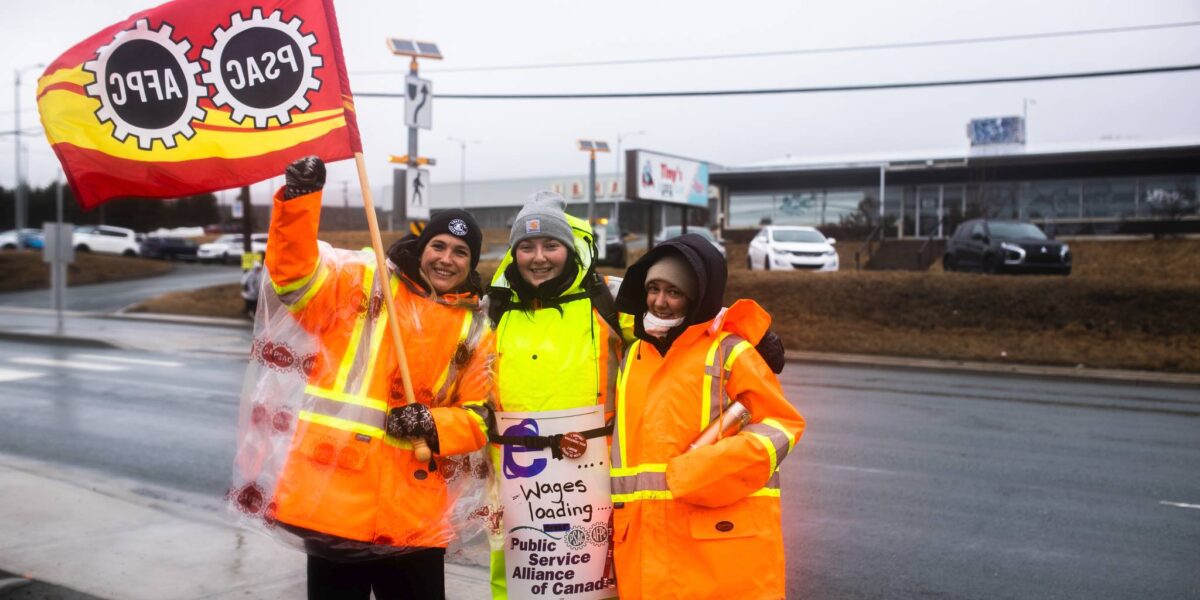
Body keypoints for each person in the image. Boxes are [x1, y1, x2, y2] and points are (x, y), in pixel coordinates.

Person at [229, 156, 494, 600]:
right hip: (334, 498)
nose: (447, 259)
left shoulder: (476, 328)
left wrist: (433, 426)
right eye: (439, 246)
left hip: (414, 515)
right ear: (421, 247)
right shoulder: (363, 280)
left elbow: (480, 417)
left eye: (460, 252)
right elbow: (294, 280)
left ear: (472, 264)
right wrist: (299, 200)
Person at [608, 233, 805, 599]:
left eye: (674, 292)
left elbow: (782, 426)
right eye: (653, 289)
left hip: (714, 544)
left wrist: (708, 470)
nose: (660, 302)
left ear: (697, 297)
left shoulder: (731, 351)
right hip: (643, 545)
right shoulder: (634, 358)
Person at [481, 191, 627, 598]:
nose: (538, 257)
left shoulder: (607, 297)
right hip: (514, 478)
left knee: (592, 579)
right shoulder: (493, 307)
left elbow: (674, 314)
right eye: (526, 247)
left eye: (551, 245)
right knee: (515, 578)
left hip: (590, 477)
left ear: (569, 247)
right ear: (513, 254)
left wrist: (752, 332)